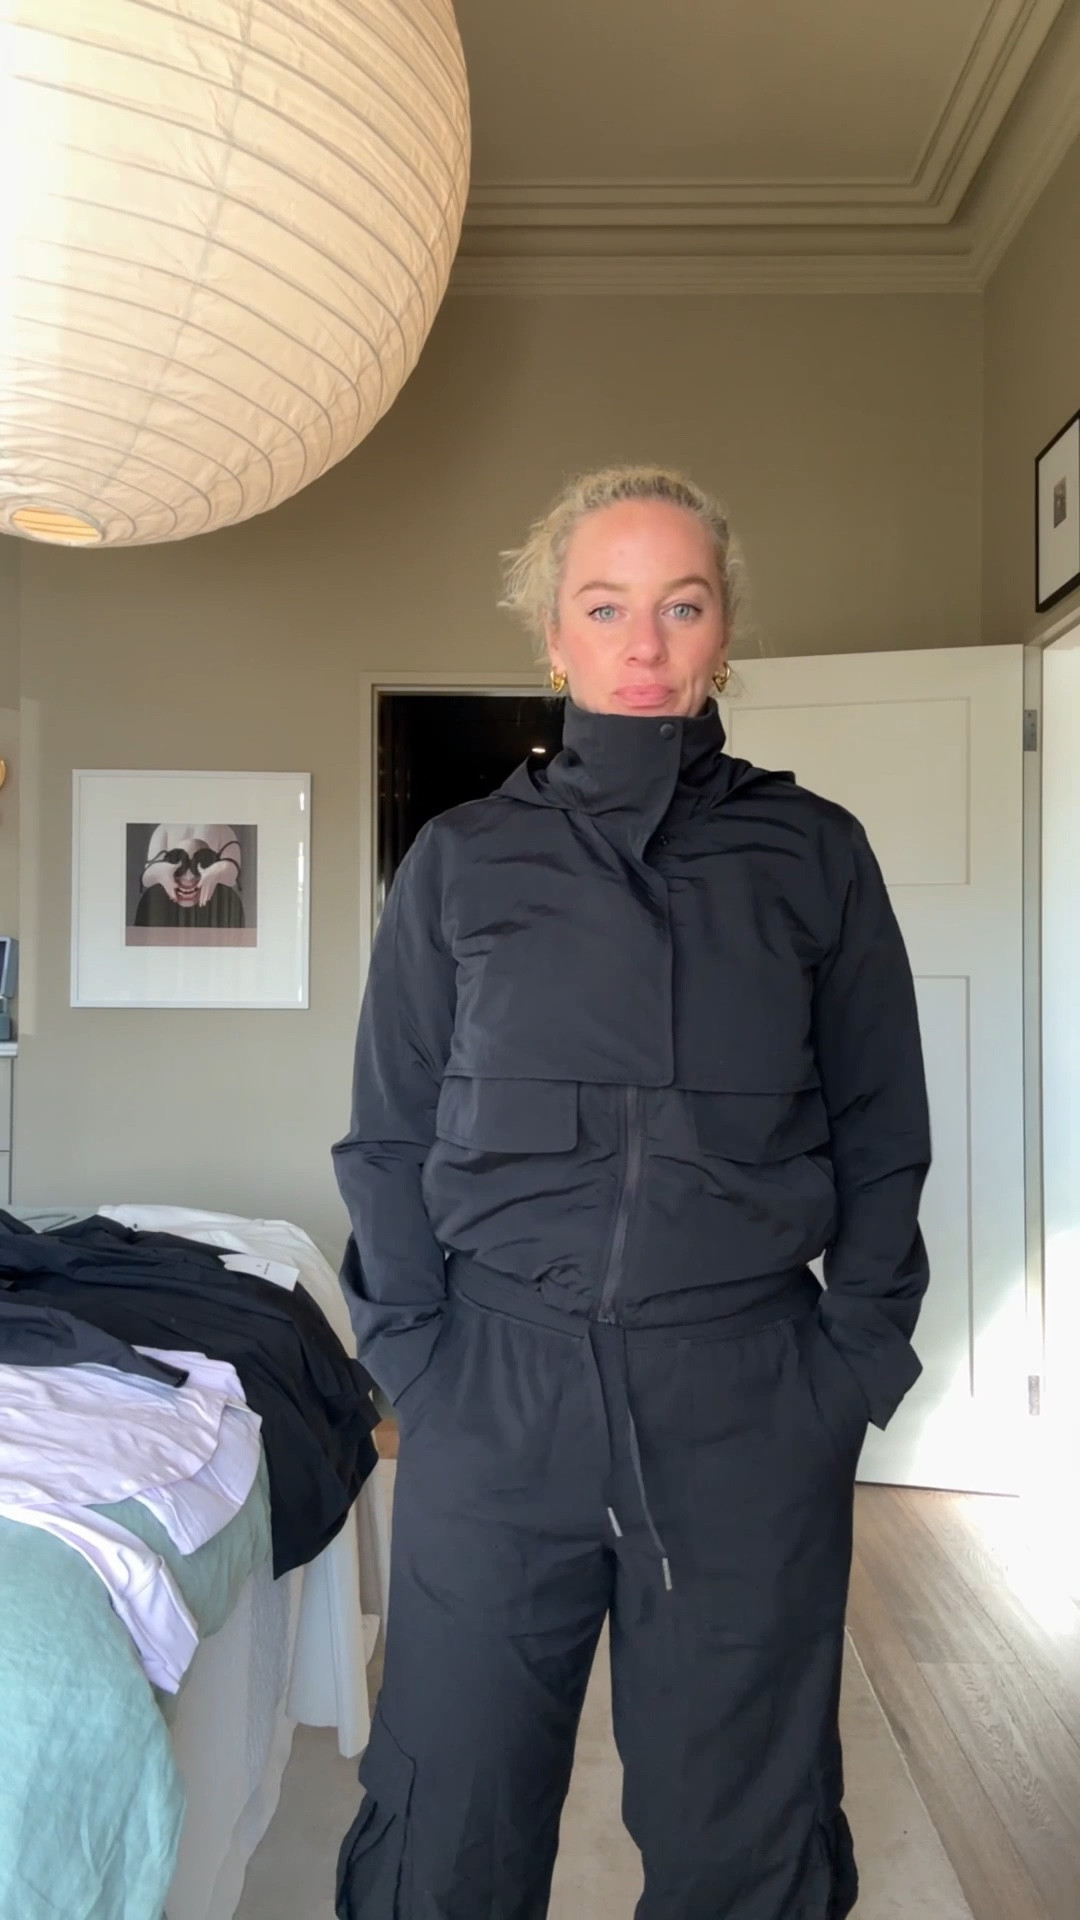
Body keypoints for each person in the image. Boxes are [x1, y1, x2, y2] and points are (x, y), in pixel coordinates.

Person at [333, 465, 931, 1920]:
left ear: (725, 631)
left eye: (682, 605)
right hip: (496, 1394)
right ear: (554, 633)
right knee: (447, 1824)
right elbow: (388, 1138)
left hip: (746, 1399)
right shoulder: (460, 863)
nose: (645, 643)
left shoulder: (817, 856)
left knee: (745, 1839)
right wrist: (418, 1359)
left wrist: (849, 1363)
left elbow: (882, 1131)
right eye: (606, 607)